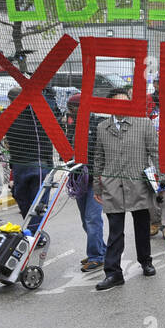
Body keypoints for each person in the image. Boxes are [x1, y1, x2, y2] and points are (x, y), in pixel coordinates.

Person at [92, 88, 158, 290]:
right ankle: (113, 273)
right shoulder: (103, 127)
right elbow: (98, 158)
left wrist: (161, 181)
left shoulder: (143, 123)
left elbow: (155, 152)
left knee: (141, 226)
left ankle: (146, 261)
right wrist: (97, 185)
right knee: (115, 232)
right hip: (112, 186)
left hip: (138, 183)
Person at [63, 93, 105, 273]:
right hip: (79, 178)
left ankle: (96, 256)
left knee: (92, 218)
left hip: (95, 178)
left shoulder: (97, 125)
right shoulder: (71, 125)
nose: (70, 112)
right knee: (84, 219)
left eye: (72, 108)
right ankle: (100, 249)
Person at [3, 85, 53, 218]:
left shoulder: (9, 117)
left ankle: (33, 233)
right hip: (33, 163)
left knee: (28, 202)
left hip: (28, 164)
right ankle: (33, 232)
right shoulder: (38, 114)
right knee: (36, 203)